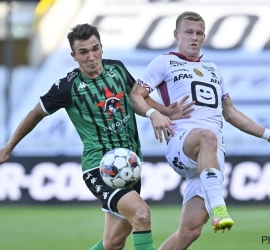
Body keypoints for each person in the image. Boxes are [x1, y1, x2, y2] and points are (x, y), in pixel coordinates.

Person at [0, 24, 194, 250]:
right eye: (83, 52)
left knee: (113, 243)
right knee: (141, 215)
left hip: (130, 164)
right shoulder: (68, 86)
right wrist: (9, 146)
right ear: (74, 56)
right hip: (100, 166)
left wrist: (163, 111)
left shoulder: (117, 69)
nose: (91, 57)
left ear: (102, 47)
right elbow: (36, 113)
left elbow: (136, 100)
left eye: (95, 49)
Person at [129, 11, 270, 250]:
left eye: (198, 33)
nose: (194, 38)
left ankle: (213, 206)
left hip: (211, 157)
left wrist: (269, 135)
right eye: (188, 32)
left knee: (190, 231)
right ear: (176, 34)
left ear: (204, 37)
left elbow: (231, 113)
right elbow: (136, 95)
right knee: (208, 135)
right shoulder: (163, 62)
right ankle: (219, 207)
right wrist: (156, 113)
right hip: (183, 142)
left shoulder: (212, 69)